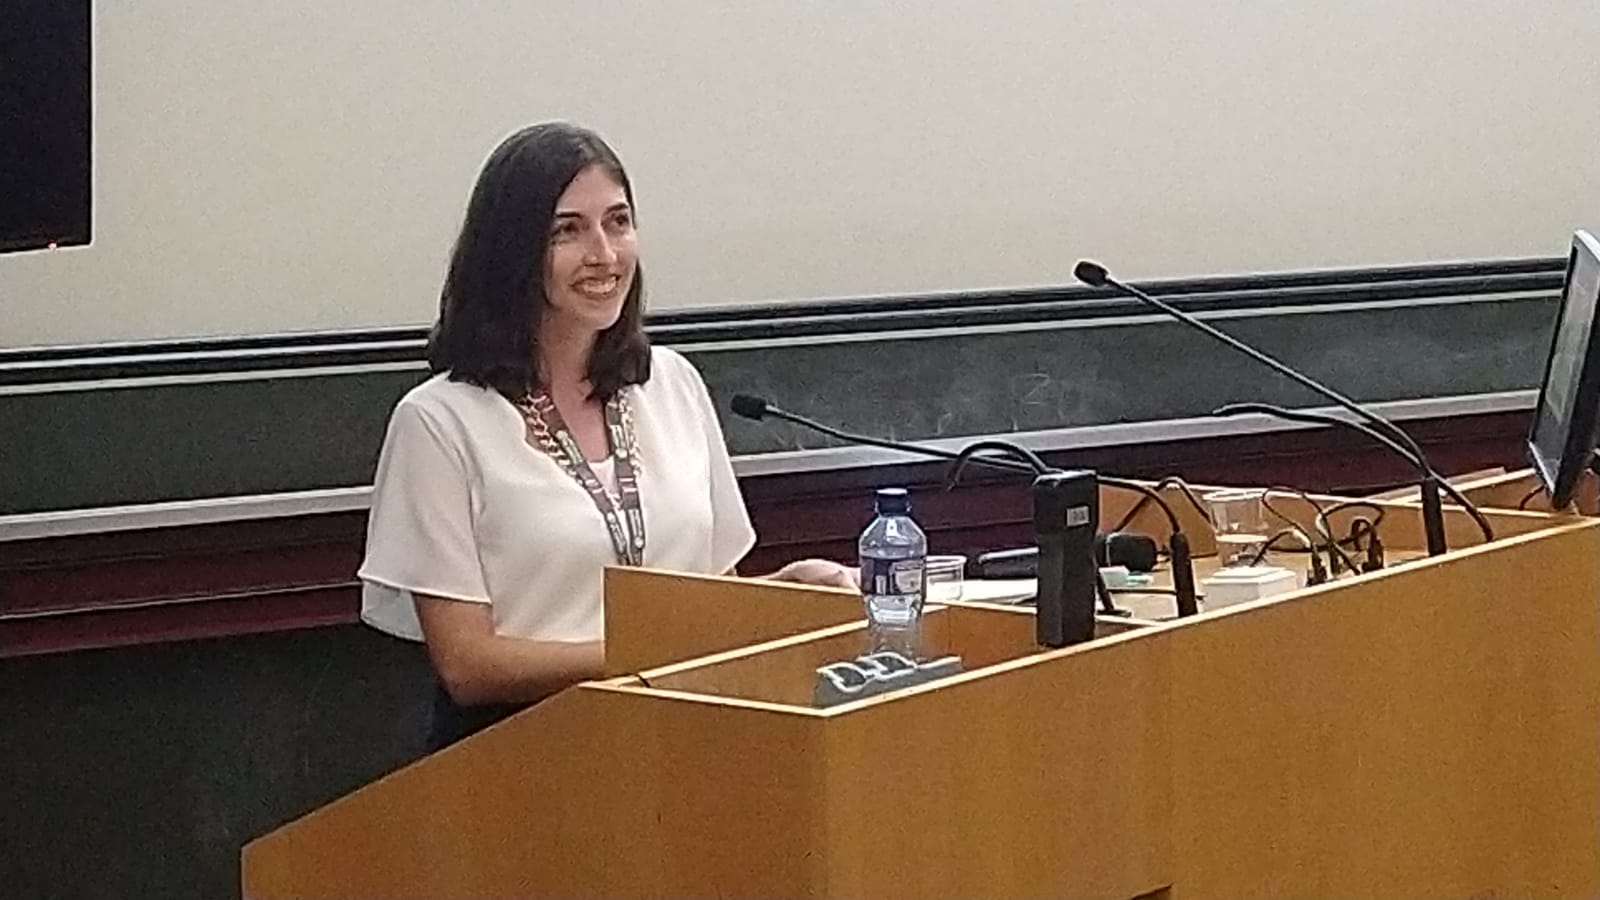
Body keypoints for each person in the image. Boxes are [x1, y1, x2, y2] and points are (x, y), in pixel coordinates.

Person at [357, 122, 857, 751]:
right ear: (511, 253)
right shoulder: (439, 422)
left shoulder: (671, 384)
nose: (604, 253)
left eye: (618, 223)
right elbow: (468, 665)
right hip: (520, 758)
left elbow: (711, 603)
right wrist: (651, 655)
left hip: (681, 744)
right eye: (567, 231)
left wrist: (783, 593)